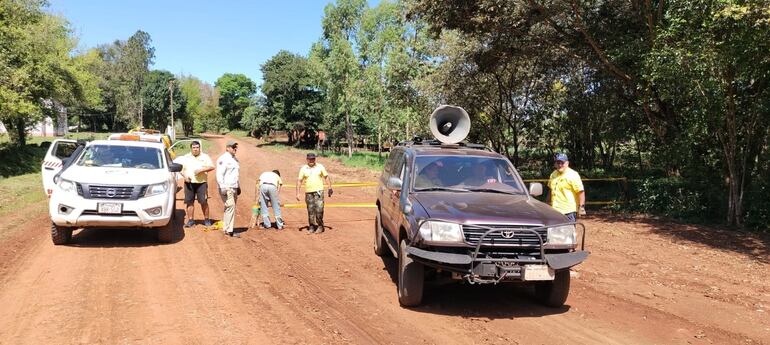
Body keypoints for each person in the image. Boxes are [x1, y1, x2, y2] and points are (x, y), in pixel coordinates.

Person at [295, 152, 333, 234]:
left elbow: (326, 177)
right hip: (309, 193)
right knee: (310, 210)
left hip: (319, 192)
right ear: (307, 159)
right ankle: (311, 226)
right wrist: (297, 193)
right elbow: (299, 181)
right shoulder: (303, 168)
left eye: (313, 159)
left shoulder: (320, 166)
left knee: (319, 209)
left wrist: (330, 188)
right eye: (310, 159)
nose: (312, 160)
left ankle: (320, 226)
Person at [180, 141, 214, 227]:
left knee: (203, 201)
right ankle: (191, 220)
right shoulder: (186, 157)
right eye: (194, 148)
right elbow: (181, 169)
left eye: (197, 147)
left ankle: (206, 219)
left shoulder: (205, 157)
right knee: (189, 202)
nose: (195, 149)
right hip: (189, 183)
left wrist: (201, 170)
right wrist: (185, 176)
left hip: (201, 183)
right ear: (191, 148)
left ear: (200, 148)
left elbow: (212, 167)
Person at [547, 153, 586, 223]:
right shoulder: (553, 174)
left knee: (568, 232)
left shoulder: (573, 175)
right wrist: (547, 203)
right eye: (558, 163)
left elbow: (580, 191)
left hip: (568, 211)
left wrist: (581, 207)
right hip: (555, 210)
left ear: (567, 163)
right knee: (554, 232)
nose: (560, 165)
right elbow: (550, 190)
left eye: (562, 163)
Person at [216, 140, 241, 237]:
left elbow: (235, 175)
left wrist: (238, 186)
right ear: (227, 148)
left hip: (233, 187)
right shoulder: (223, 159)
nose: (235, 148)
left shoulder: (235, 159)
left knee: (229, 208)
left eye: (236, 147)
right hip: (227, 187)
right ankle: (229, 230)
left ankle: (226, 228)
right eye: (233, 147)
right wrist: (222, 187)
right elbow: (219, 174)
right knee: (231, 206)